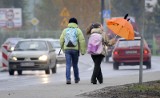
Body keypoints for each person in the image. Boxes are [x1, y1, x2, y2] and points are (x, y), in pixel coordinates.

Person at [60, 17, 86, 84]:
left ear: (69, 23)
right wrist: (83, 51)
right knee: (75, 65)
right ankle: (76, 79)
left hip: (67, 50)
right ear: (76, 23)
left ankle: (68, 79)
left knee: (68, 65)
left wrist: (63, 49)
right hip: (75, 50)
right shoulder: (78, 30)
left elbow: (61, 40)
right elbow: (82, 41)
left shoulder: (65, 30)